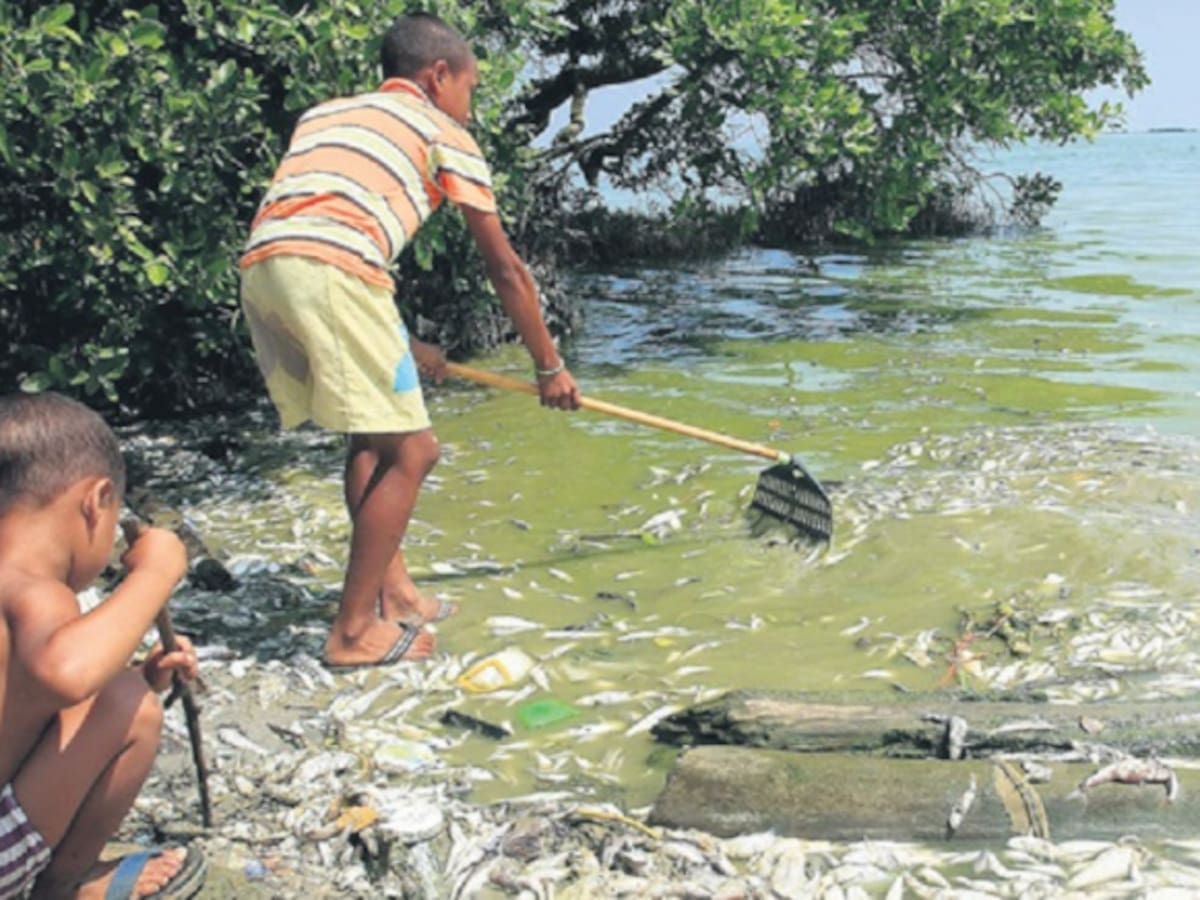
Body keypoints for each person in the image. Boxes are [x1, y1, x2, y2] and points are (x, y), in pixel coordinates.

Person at [239, 12, 581, 669]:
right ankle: (351, 631)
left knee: (372, 438)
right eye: (472, 90)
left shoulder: (326, 114)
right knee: (416, 452)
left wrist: (402, 342)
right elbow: (505, 269)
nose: (470, 107)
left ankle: (395, 596)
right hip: (335, 272)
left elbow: (328, 221)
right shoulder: (441, 131)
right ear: (438, 76)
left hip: (269, 268)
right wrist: (549, 368)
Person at [0, 392, 205, 900]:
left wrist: (140, 671)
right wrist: (157, 571)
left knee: (123, 688)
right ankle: (65, 885)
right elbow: (65, 670)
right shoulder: (31, 587)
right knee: (131, 708)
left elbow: (27, 691)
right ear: (97, 501)